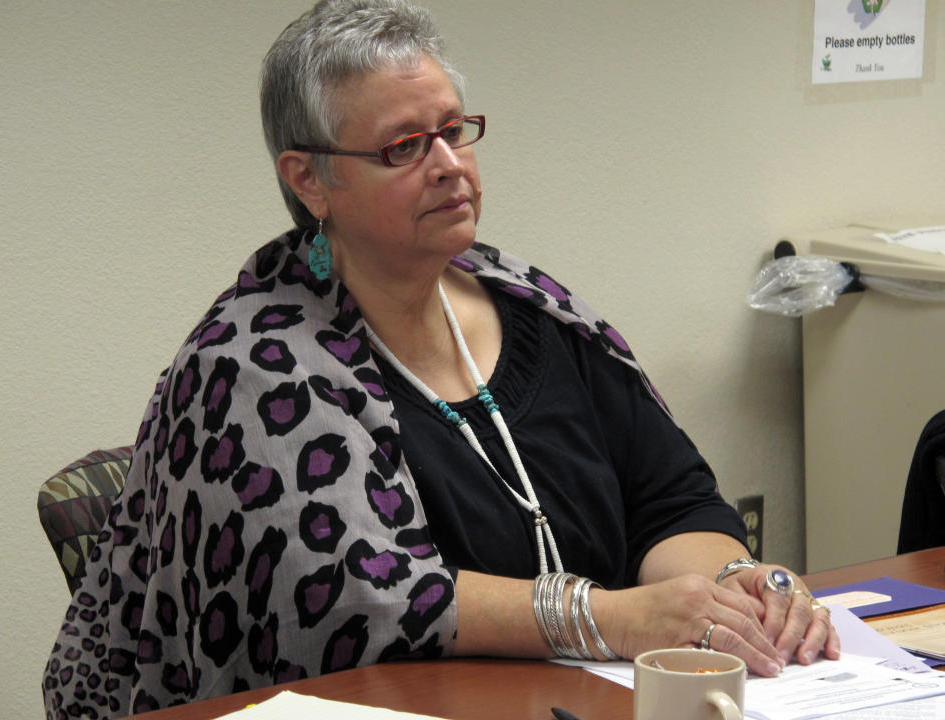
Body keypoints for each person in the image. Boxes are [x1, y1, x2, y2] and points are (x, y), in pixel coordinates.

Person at [42, 1, 839, 717]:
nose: (449, 164)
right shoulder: (251, 369)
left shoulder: (536, 307)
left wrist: (732, 593)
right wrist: (618, 618)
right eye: (403, 147)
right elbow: (367, 605)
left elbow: (671, 499)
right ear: (309, 180)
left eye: (453, 130)